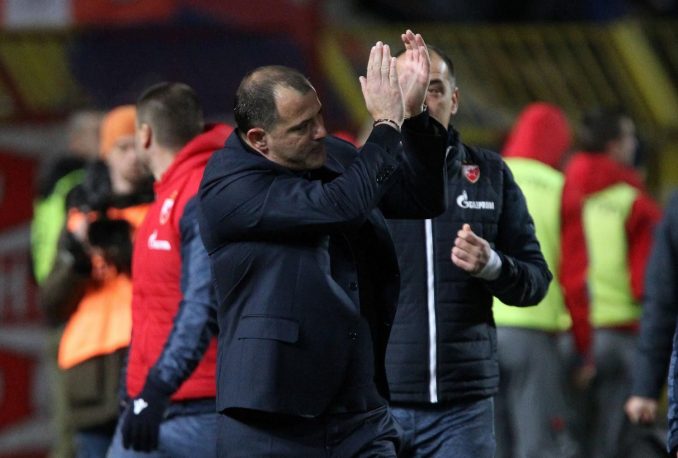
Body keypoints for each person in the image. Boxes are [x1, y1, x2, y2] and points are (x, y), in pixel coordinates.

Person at [198, 31, 447, 457]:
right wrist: (386, 126)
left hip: (359, 408)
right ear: (259, 139)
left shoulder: (333, 154)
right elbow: (340, 206)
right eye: (301, 127)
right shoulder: (228, 188)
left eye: (318, 116)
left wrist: (414, 116)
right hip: (271, 416)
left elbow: (419, 199)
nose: (320, 132)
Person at [384, 47, 552, 458]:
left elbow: (536, 281)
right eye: (409, 87)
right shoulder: (365, 177)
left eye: (434, 89)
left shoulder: (490, 174)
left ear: (454, 99)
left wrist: (492, 265)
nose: (422, 101)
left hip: (463, 410)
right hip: (379, 406)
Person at [106, 83, 232, 457]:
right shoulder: (167, 196)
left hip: (194, 406)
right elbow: (149, 307)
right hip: (161, 403)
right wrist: (131, 391)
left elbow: (201, 303)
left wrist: (155, 388)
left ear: (145, 135)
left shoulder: (199, 192)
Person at [40, 105, 154, 458]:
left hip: (149, 369)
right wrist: (76, 256)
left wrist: (130, 252)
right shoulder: (83, 214)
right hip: (91, 377)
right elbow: (51, 303)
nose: (132, 156)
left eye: (138, 145)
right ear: (106, 152)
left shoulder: (162, 209)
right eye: (122, 147)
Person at [560, 107, 662, 458]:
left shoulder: (564, 190)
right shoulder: (634, 203)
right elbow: (649, 281)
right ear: (614, 145)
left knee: (572, 434)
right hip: (621, 334)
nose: (634, 144)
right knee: (615, 437)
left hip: (572, 333)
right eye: (630, 136)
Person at [492, 102, 580, 458]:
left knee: (490, 443)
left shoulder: (487, 174)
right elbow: (575, 273)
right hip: (535, 332)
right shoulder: (561, 187)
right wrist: (582, 344)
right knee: (538, 443)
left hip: (481, 329)